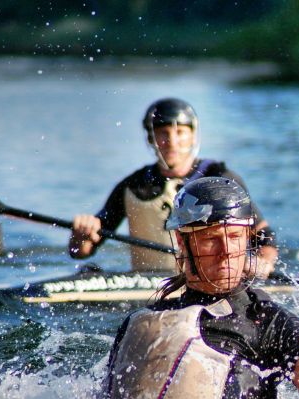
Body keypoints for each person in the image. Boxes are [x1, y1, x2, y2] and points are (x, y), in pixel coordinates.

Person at [97, 177, 299, 399]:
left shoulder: (266, 320)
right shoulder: (147, 317)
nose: (226, 253)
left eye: (234, 237)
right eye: (211, 239)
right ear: (181, 242)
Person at [69, 98, 278, 274]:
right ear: (151, 139)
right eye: (163, 133)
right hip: (147, 285)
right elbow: (81, 251)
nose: (172, 141)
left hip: (208, 281)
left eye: (180, 133)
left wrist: (263, 263)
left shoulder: (220, 178)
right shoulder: (133, 185)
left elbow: (264, 236)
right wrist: (81, 234)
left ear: (193, 136)